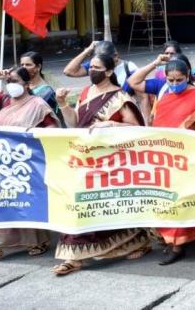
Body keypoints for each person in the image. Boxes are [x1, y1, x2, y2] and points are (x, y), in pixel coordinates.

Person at [51, 54, 150, 275]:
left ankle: (132, 242)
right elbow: (75, 123)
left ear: (107, 71)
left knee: (106, 207)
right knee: (81, 204)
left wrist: (113, 123)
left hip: (110, 162)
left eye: (96, 67)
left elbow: (137, 129)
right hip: (85, 159)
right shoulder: (86, 93)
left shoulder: (120, 97)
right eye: (91, 66)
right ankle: (73, 256)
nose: (92, 70)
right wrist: (62, 104)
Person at [0, 66, 58, 261]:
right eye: (9, 81)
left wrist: (32, 134)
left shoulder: (38, 104)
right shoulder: (3, 101)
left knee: (25, 202)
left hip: (27, 161)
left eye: (15, 81)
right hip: (1, 161)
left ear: (26, 84)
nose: (11, 85)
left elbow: (53, 129)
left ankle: (38, 240)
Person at [128, 57, 195, 265]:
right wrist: (154, 63)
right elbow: (133, 82)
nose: (174, 84)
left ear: (188, 75)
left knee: (193, 199)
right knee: (170, 200)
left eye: (179, 79)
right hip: (165, 159)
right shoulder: (163, 93)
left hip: (190, 158)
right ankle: (177, 244)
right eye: (170, 79)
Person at [63, 41, 138, 91]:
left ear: (115, 56)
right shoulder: (95, 65)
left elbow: (143, 97)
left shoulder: (129, 68)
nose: (94, 68)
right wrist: (87, 51)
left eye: (105, 61)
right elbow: (68, 72)